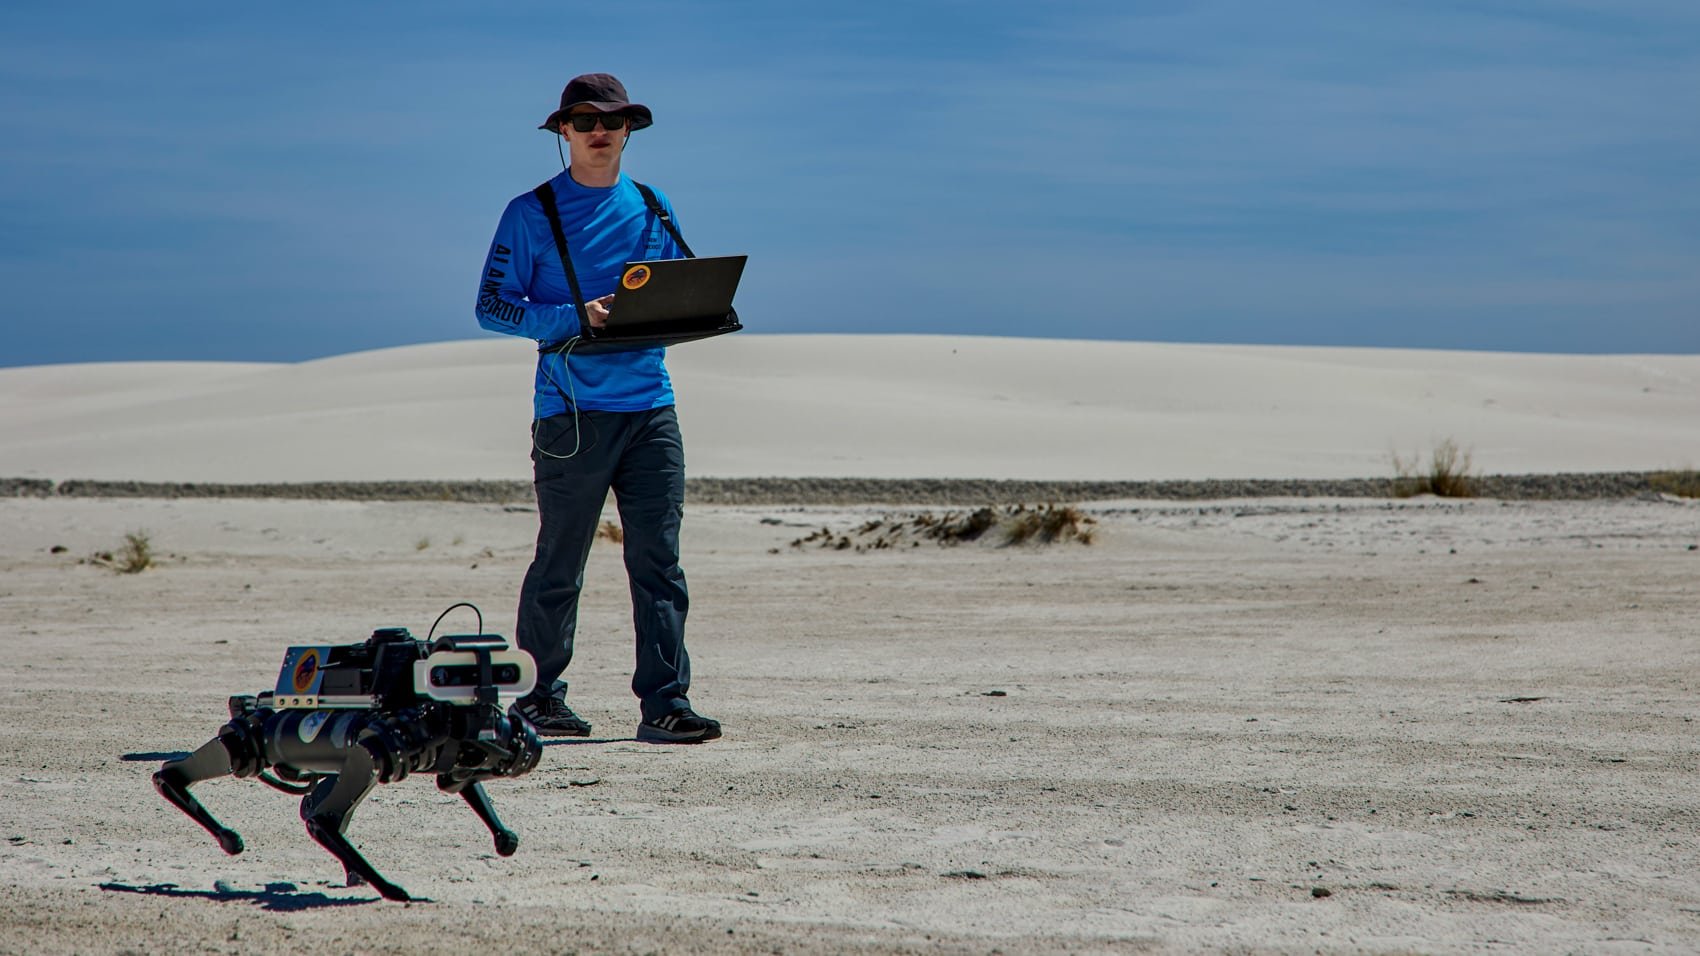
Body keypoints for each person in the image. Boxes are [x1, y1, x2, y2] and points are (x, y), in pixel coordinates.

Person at [473, 73, 720, 744]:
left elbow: (673, 289)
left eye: (611, 120)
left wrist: (691, 305)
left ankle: (666, 704)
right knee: (560, 559)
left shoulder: (653, 204)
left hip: (651, 408)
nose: (598, 131)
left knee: (659, 563)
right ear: (563, 133)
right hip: (571, 414)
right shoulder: (530, 213)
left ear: (629, 129)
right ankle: (538, 698)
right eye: (583, 122)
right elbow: (492, 306)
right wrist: (573, 315)